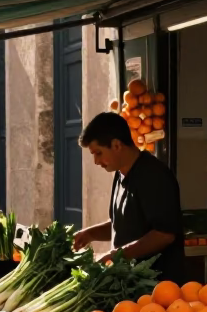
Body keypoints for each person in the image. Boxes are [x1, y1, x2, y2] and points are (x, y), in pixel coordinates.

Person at [74, 111, 185, 284]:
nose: (96, 161)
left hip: (158, 289)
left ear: (117, 145)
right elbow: (124, 224)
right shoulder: (120, 174)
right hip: (130, 285)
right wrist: (89, 234)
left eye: (98, 153)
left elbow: (164, 234)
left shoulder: (154, 176)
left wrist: (116, 255)